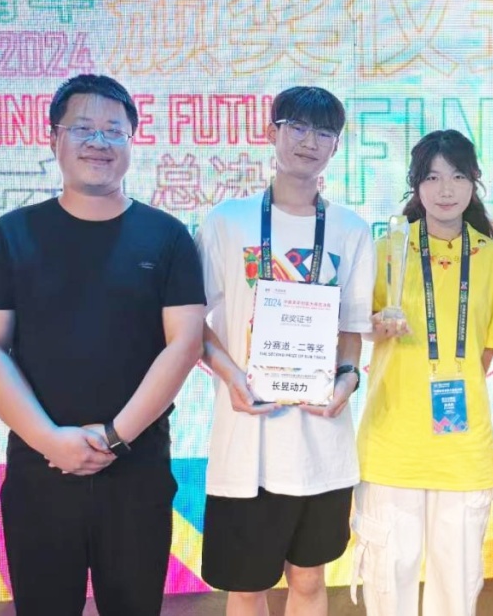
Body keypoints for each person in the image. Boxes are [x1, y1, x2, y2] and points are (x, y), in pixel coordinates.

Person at [0, 74, 206, 616]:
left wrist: (115, 437)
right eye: (83, 128)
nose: (99, 142)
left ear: (132, 142)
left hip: (138, 467)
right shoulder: (11, 235)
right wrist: (50, 440)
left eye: (114, 131)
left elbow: (184, 345)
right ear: (54, 138)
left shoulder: (167, 236)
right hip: (40, 468)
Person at [196, 86, 375, 616]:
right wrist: (231, 376)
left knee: (310, 580)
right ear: (271, 132)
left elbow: (351, 327)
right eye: (296, 127)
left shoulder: (350, 230)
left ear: (336, 145)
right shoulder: (227, 221)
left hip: (320, 441)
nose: (309, 142)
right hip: (247, 441)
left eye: (323, 132)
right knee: (247, 587)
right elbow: (191, 324)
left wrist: (348, 379)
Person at [352, 130, 493, 616]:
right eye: (433, 177)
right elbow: (356, 327)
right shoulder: (387, 249)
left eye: (458, 176)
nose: (446, 189)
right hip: (391, 444)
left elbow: (485, 350)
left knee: (456, 590)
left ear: (474, 183)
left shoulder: (492, 257)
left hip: (462, 449)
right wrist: (376, 327)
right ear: (416, 184)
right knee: (388, 585)